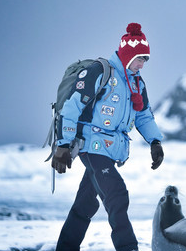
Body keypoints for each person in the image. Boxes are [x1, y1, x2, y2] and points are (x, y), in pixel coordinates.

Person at [51, 22, 164, 251]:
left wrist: (155, 142)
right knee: (116, 194)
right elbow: (72, 107)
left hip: (110, 149)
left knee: (85, 204)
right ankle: (128, 247)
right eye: (140, 58)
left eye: (146, 59)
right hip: (91, 144)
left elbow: (143, 115)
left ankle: (66, 247)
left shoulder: (136, 83)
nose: (143, 64)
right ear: (128, 54)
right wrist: (63, 145)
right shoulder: (100, 71)